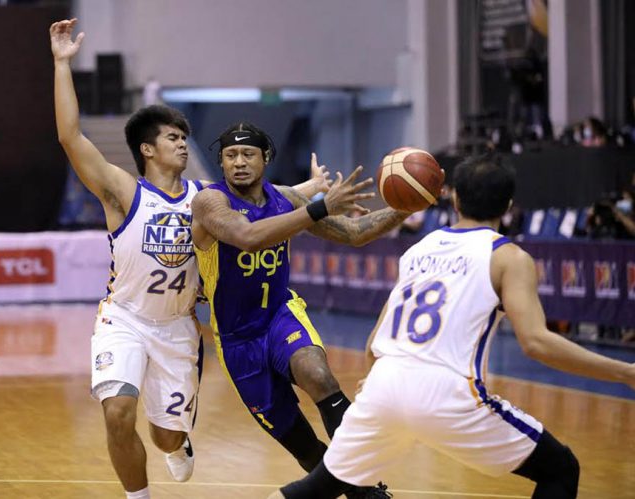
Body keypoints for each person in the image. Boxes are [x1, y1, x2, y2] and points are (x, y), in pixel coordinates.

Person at [50, 19, 329, 499]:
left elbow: (274, 198)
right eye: (172, 136)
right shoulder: (123, 190)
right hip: (125, 319)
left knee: (166, 436)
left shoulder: (209, 196)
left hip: (180, 327)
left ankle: (176, 445)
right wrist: (61, 65)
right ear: (147, 148)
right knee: (117, 410)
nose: (183, 141)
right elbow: (71, 137)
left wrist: (313, 190)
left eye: (184, 135)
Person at [269, 154, 635, 499]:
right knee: (560, 469)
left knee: (313, 491)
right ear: (509, 207)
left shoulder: (421, 247)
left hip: (384, 384)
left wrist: (385, 387)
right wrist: (625, 372)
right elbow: (537, 343)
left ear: (454, 199)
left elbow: (373, 343)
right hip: (448, 393)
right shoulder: (508, 256)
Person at [191, 122, 415, 498]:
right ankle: (353, 489)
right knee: (305, 448)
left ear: (265, 159)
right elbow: (247, 238)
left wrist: (404, 208)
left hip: (279, 314)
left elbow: (354, 232)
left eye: (248, 155)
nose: (239, 163)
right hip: (237, 340)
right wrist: (318, 205)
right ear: (221, 162)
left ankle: (364, 487)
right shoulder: (210, 202)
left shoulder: (285, 199)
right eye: (231, 156)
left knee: (318, 374)